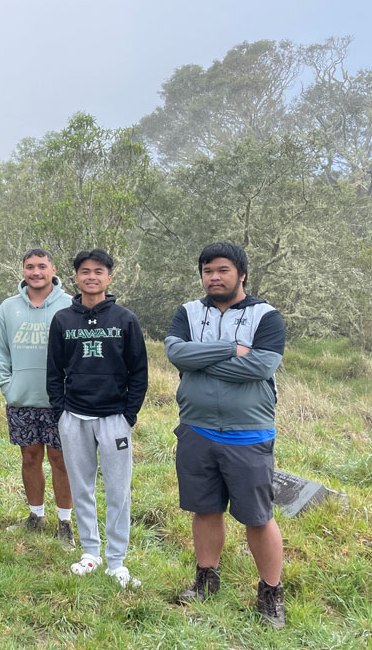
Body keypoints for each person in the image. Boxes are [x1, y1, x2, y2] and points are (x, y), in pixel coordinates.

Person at [165, 242, 286, 628]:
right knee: (205, 508)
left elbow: (261, 365)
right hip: (197, 428)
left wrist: (201, 361)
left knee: (257, 516)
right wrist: (232, 350)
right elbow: (176, 354)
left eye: (222, 270)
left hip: (248, 433)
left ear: (242, 274)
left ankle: (270, 593)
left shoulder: (266, 316)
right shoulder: (188, 312)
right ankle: (205, 580)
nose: (213, 277)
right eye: (207, 271)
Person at [46, 248, 148, 589]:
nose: (92, 276)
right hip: (74, 416)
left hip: (114, 418)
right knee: (81, 486)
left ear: (109, 277)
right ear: (76, 277)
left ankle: (117, 561)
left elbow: (139, 371)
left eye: (99, 271)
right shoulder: (63, 319)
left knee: (118, 490)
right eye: (85, 271)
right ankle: (90, 551)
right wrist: (61, 411)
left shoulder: (125, 319)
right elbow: (54, 370)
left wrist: (128, 414)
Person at [0, 248, 75, 548]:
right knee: (30, 457)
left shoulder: (70, 306)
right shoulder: (7, 308)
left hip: (61, 402)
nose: (36, 272)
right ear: (23, 270)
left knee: (61, 460)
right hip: (22, 399)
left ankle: (65, 523)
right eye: (30, 267)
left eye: (42, 266)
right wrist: (8, 385)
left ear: (53, 269)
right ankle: (35, 516)